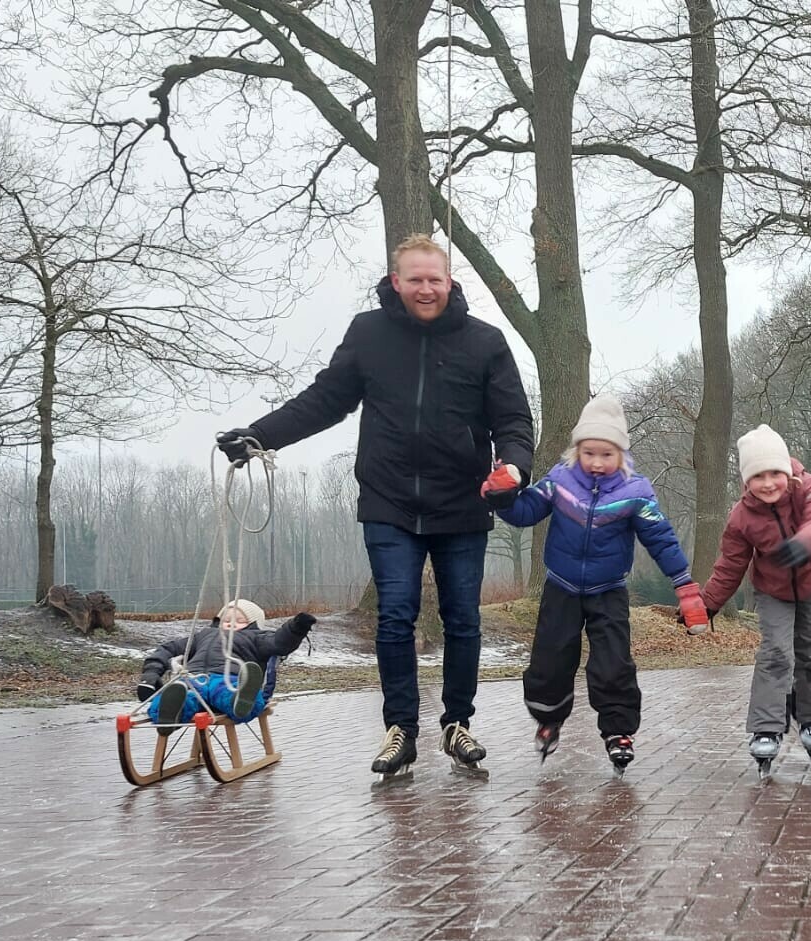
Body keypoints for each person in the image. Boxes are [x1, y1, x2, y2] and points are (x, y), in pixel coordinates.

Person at [216, 234, 534, 777]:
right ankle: (401, 730)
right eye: (415, 279)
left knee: (462, 620)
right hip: (388, 500)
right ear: (396, 282)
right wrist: (261, 436)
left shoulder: (485, 342)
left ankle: (457, 724)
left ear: (450, 281)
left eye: (435, 279)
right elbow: (324, 400)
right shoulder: (369, 333)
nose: (426, 288)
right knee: (395, 617)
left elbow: (513, 420)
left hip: (462, 502)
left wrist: (514, 467)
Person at [493, 392, 710, 772]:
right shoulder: (559, 482)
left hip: (608, 590)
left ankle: (618, 731)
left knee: (613, 663)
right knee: (551, 658)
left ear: (621, 455)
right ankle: (549, 719)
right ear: (576, 451)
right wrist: (502, 497)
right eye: (589, 453)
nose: (596, 462)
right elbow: (526, 511)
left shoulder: (636, 493)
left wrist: (685, 586)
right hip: (560, 586)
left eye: (606, 455)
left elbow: (660, 539)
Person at [697, 424, 811, 765]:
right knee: (776, 653)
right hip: (773, 592)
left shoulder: (808, 487)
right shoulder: (741, 517)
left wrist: (805, 542)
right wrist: (708, 604)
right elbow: (730, 564)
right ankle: (766, 727)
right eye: (757, 477)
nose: (768, 484)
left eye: (774, 474)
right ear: (746, 481)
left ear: (786, 471)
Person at [138, 600, 315, 728]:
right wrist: (151, 675)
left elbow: (279, 642)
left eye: (239, 621)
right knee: (183, 693)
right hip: (193, 678)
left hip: (227, 679)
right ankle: (168, 713)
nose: (230, 624)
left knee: (227, 692)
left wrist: (296, 627)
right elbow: (169, 649)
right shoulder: (203, 635)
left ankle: (241, 701)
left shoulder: (255, 637)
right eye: (226, 620)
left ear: (253, 624)